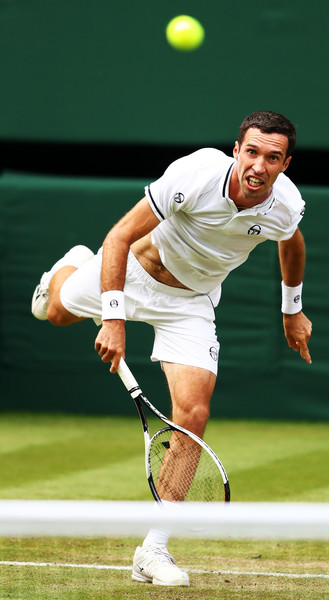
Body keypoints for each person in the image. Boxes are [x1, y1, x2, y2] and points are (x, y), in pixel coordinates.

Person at [31, 110, 312, 586]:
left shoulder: (285, 205)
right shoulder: (196, 174)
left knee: (194, 414)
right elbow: (120, 236)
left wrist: (291, 309)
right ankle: (69, 268)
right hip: (134, 270)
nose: (259, 166)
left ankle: (153, 551)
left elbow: (292, 243)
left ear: (285, 164)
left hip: (191, 304)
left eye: (273, 157)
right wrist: (114, 319)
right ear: (236, 151)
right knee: (57, 311)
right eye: (251, 152)